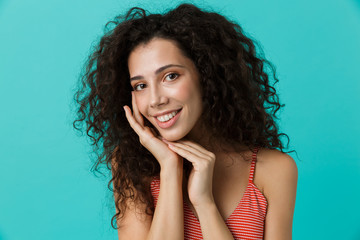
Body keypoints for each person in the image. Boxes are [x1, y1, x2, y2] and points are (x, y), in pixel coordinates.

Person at [73, 3, 298, 240]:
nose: (155, 100)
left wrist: (204, 203)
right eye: (140, 86)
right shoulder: (131, 166)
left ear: (207, 75)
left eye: (170, 76)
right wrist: (170, 169)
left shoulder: (273, 170)